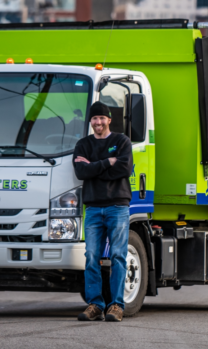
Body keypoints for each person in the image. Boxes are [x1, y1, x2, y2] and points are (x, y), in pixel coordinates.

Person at [73, 101, 133, 322]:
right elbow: (81, 171)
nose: (98, 122)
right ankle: (95, 304)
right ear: (91, 121)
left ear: (109, 119)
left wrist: (94, 167)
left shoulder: (121, 141)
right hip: (94, 209)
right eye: (94, 118)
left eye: (102, 118)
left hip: (118, 206)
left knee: (118, 256)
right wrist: (108, 162)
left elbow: (125, 168)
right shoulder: (83, 144)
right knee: (91, 257)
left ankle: (116, 305)